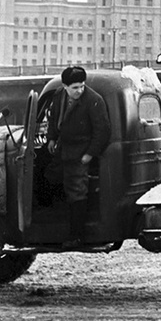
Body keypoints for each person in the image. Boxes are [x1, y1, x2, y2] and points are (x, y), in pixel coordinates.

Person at [44, 66, 111, 249]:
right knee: (50, 178)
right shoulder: (59, 95)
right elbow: (53, 118)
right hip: (62, 150)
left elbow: (102, 130)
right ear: (65, 86)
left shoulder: (93, 100)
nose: (79, 91)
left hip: (81, 153)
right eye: (74, 87)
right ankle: (53, 223)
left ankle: (76, 236)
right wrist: (51, 138)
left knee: (77, 191)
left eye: (81, 86)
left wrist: (89, 154)